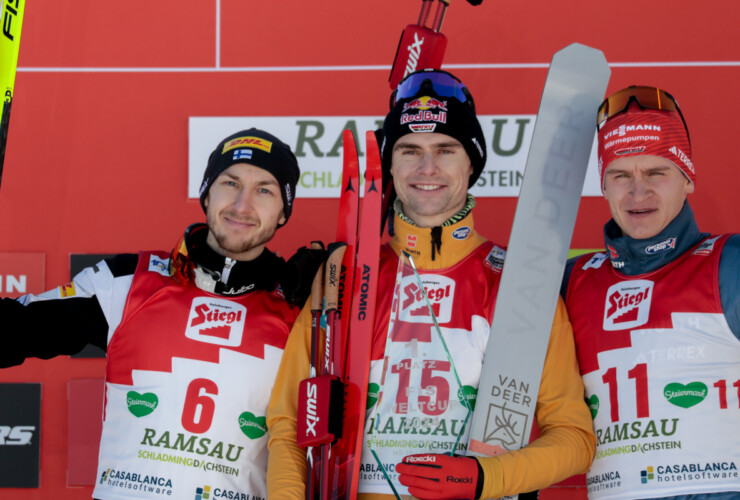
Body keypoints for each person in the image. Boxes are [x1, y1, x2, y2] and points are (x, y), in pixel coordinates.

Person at [266, 69, 596, 499]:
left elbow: (574, 437)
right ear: (390, 163)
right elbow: (289, 422)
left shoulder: (517, 283)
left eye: (445, 149)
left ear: (471, 161)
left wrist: (482, 479)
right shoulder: (344, 277)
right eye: (409, 150)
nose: (427, 167)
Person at [0, 128, 324, 500]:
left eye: (264, 190)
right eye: (230, 182)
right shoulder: (128, 282)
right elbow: (12, 332)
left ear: (284, 211)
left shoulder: (303, 309)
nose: (242, 205)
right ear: (206, 191)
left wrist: (330, 290)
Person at [561, 86, 740, 499]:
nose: (637, 193)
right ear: (603, 187)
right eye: (621, 176)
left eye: (656, 173)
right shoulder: (571, 282)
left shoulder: (728, 264)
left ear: (688, 178)